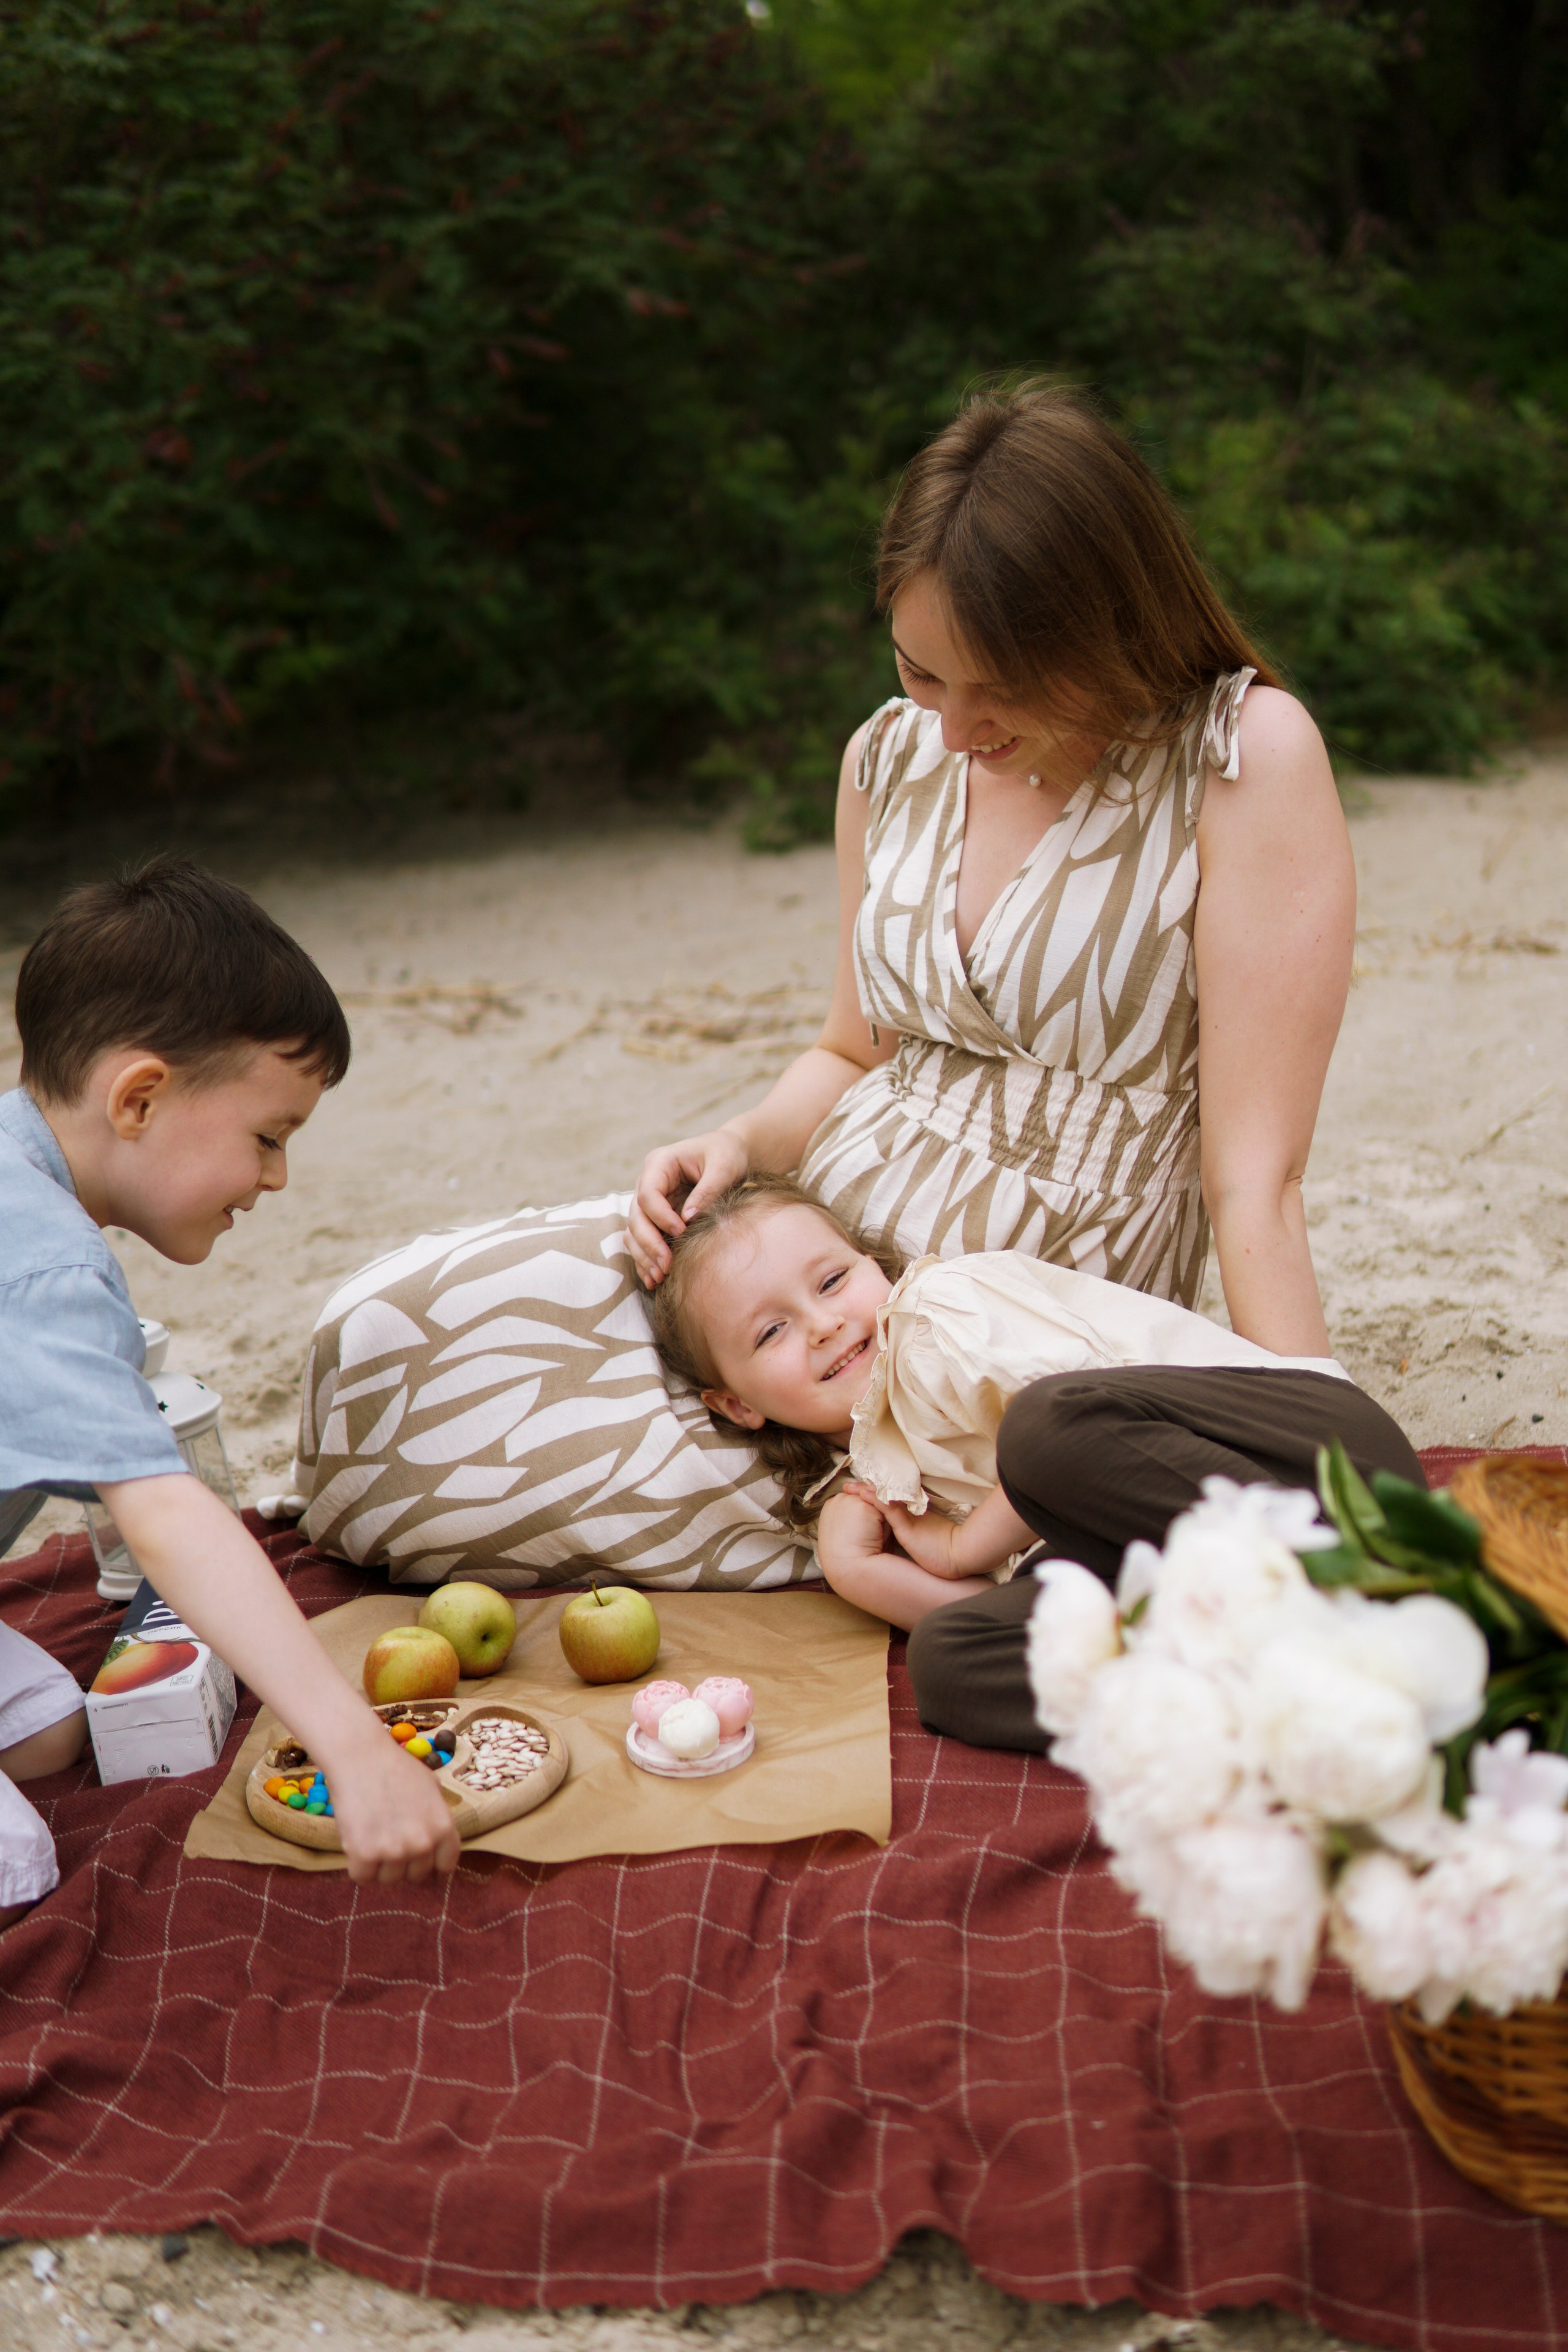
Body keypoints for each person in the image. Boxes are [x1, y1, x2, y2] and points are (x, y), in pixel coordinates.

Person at [629, 380, 1353, 1366]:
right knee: (429, 1322)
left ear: (1110, 627)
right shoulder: (889, 756)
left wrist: (1312, 1423)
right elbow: (852, 1054)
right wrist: (740, 1146)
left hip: (1017, 1316)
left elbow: (1255, 1178)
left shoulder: (1236, 761)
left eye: (1003, 689)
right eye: (920, 672)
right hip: (813, 1264)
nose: (955, 732)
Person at [0, 858, 460, 1915]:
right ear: (141, 1097)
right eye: (268, 1138)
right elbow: (163, 1513)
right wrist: (350, 1743)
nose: (277, 1179)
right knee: (20, 1870)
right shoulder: (48, 1267)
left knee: (48, 1733)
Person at [646, 1176, 1421, 1655]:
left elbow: (1077, 1422)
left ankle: (1338, 1597)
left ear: (874, 1267)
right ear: (736, 1404)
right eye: (771, 1332)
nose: (821, 1324)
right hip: (1187, 1563)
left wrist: (957, 1547)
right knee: (949, 1660)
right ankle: (1245, 1667)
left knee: (1041, 1432)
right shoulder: (870, 1486)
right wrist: (861, 1573)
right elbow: (1026, 1609)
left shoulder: (935, 1320)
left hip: (1307, 1458)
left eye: (833, 1280)